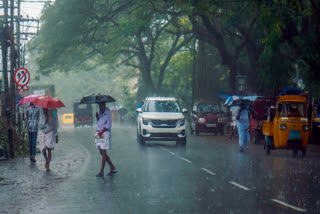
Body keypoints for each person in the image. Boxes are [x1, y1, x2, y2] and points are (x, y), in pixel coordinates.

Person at [95, 102, 117, 177]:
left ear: (104, 105)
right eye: (99, 106)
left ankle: (101, 171)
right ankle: (112, 166)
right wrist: (97, 117)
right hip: (98, 133)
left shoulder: (108, 113)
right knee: (101, 152)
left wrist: (101, 131)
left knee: (104, 152)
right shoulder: (100, 112)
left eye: (101, 106)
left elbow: (108, 125)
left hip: (105, 133)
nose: (100, 107)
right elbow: (99, 123)